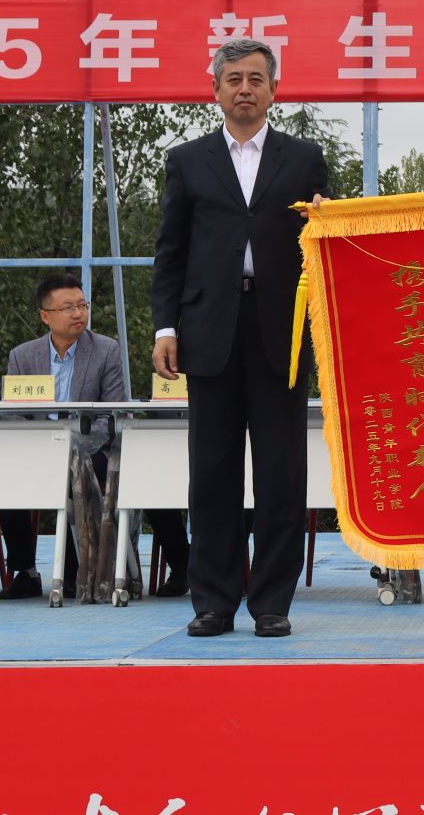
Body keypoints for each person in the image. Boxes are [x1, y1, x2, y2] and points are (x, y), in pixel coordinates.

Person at [152, 37, 328, 639]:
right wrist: (166, 326)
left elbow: (324, 240)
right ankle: (214, 601)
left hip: (281, 330)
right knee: (213, 473)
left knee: (282, 473)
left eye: (256, 79)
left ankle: (272, 602)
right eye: (234, 79)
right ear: (216, 90)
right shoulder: (188, 160)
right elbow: (171, 252)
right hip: (209, 331)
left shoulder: (304, 159)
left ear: (274, 89)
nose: (245, 89)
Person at [0, 275, 187, 599]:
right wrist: (40, 447)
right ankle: (26, 571)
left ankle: (78, 573)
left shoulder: (105, 350)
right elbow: (12, 414)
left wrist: (76, 447)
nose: (78, 313)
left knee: (95, 474)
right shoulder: (23, 356)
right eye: (67, 307)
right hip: (39, 449)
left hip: (92, 448)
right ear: (45, 316)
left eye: (82, 305)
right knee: (5, 476)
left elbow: (111, 413)